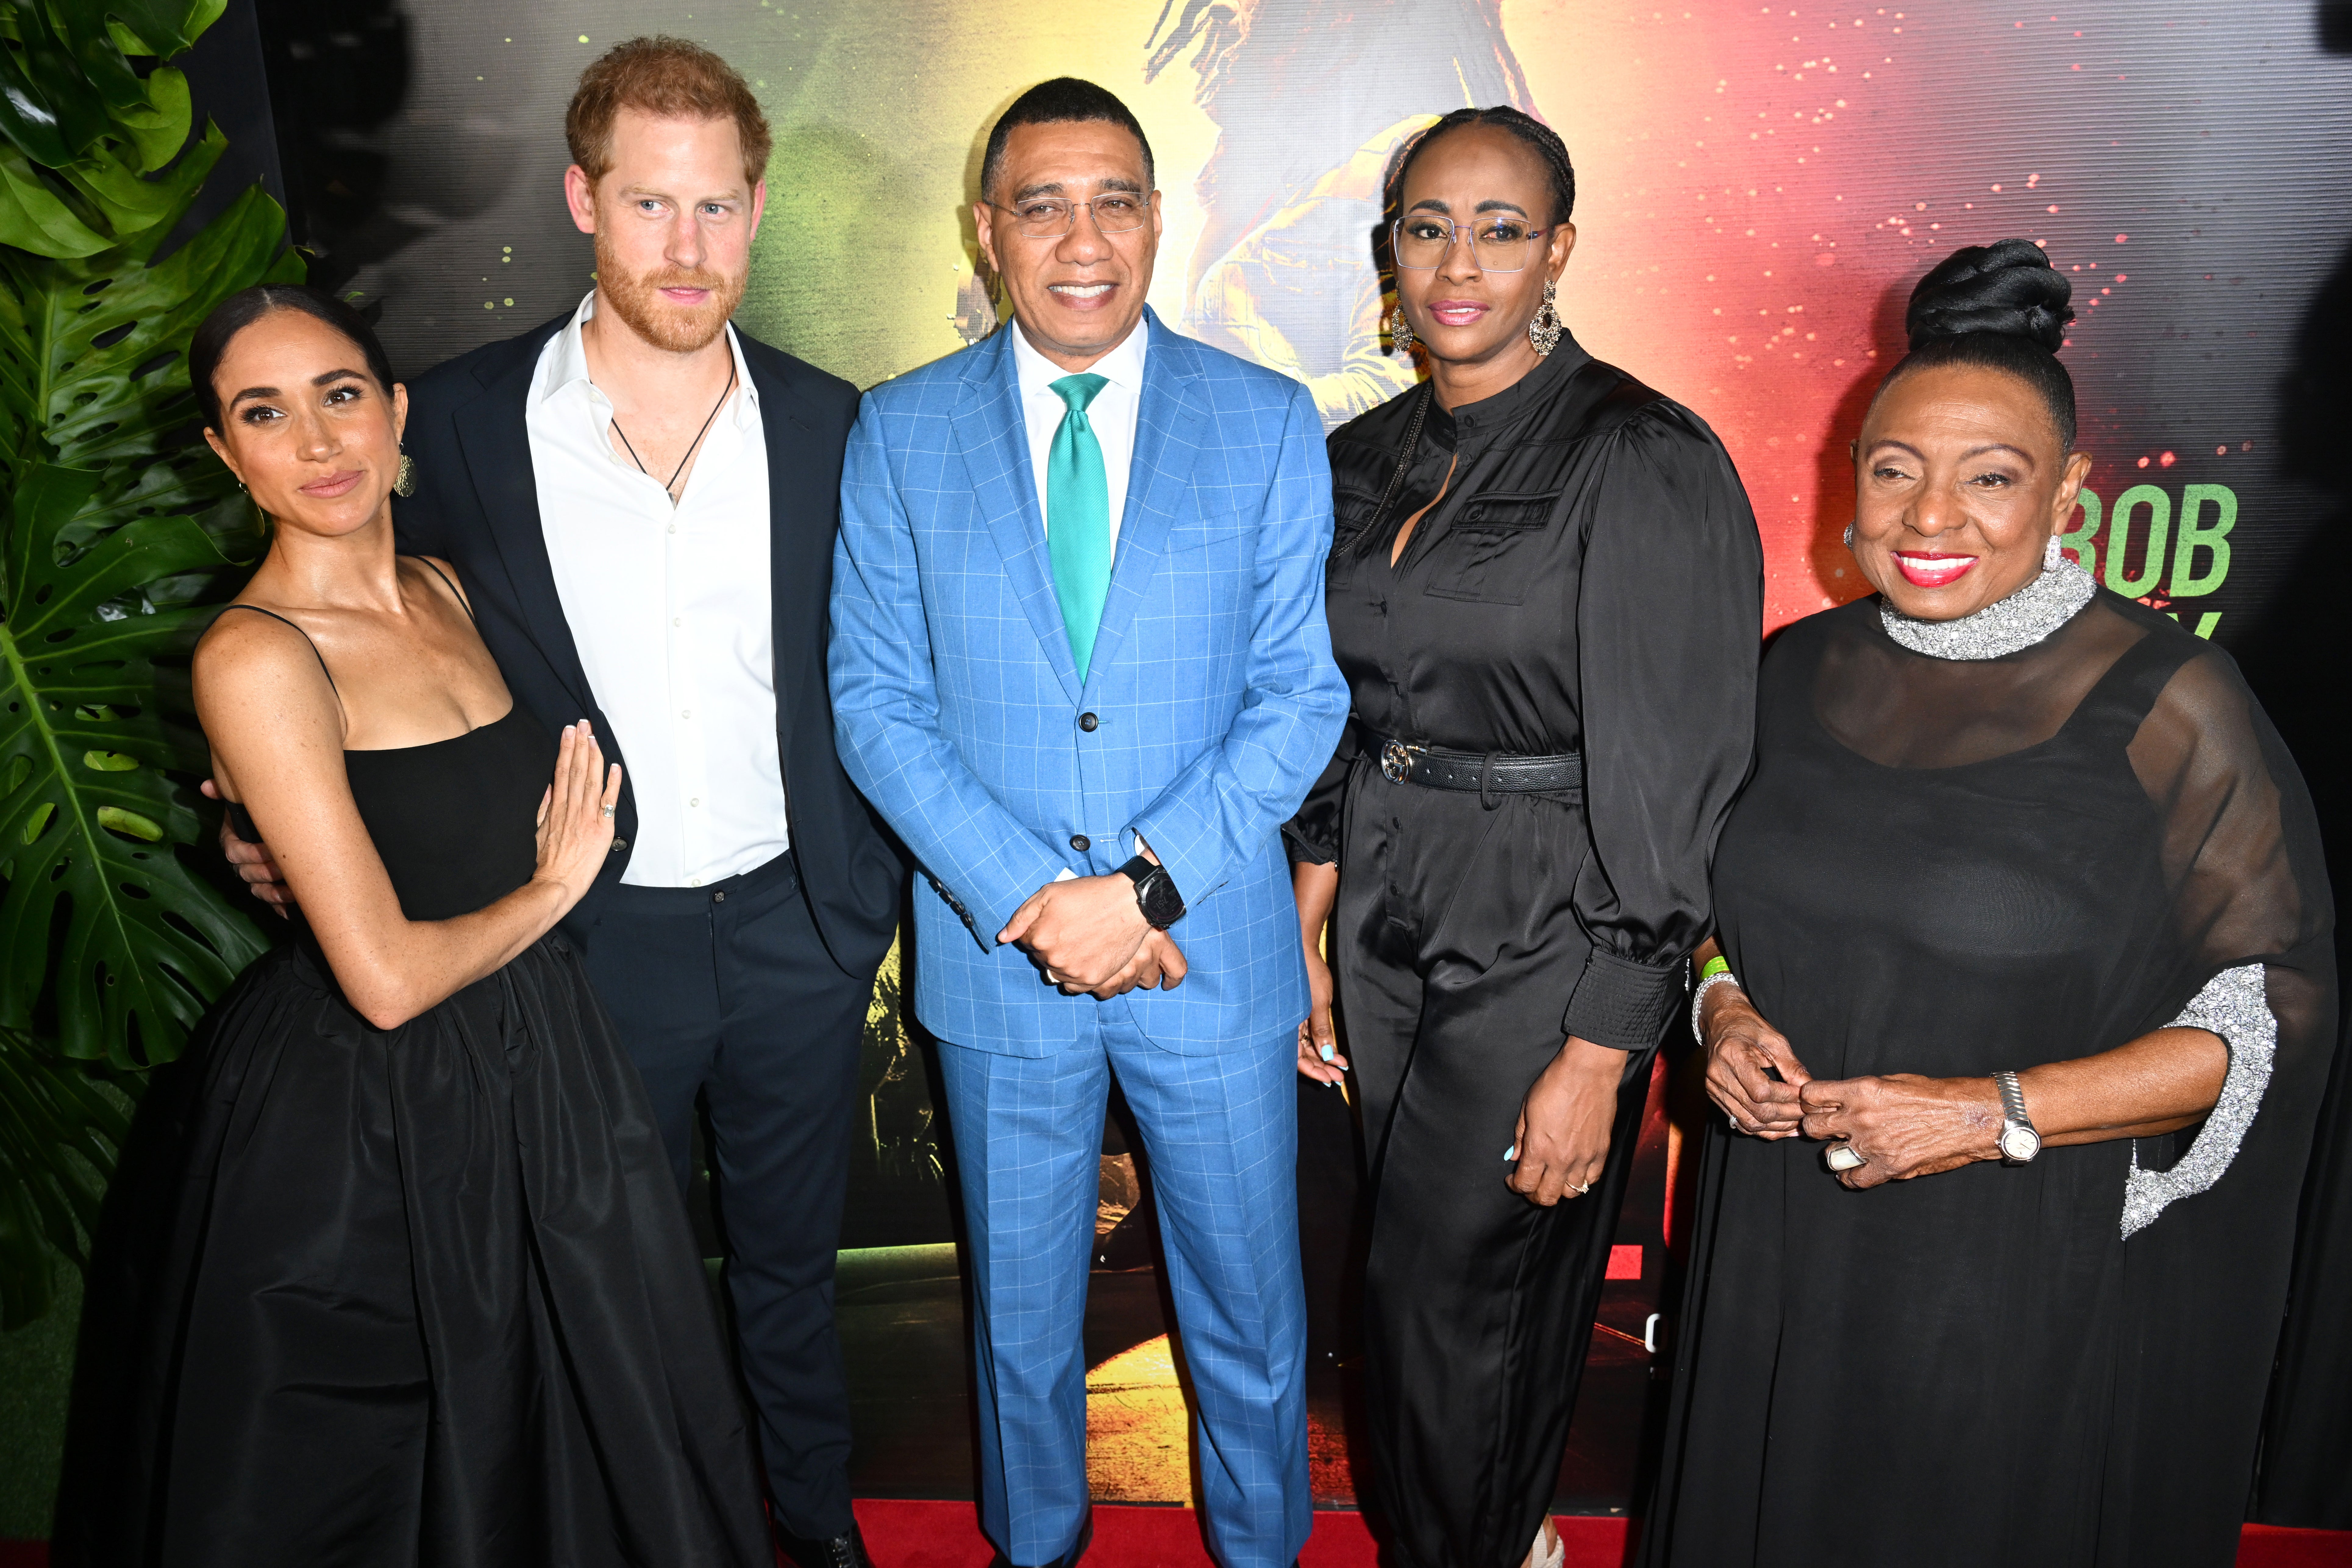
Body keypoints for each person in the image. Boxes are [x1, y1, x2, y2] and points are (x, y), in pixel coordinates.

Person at [216, 39, 904, 1568]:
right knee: (603, 1282)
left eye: (716, 207)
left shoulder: (836, 423)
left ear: (759, 206)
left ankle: (816, 1524)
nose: (687, 247)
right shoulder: (450, 424)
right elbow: (353, 643)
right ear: (585, 198)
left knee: (795, 1269)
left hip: (802, 921)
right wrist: (262, 817)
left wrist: (855, 912)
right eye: (651, 205)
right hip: (583, 947)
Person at [1639, 240, 2337, 1567]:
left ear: (2070, 490)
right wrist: (1723, 1009)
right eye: (1895, 469)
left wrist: (1989, 1112)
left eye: (1991, 477)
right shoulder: (1790, 671)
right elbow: (1714, 913)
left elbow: (2268, 1020)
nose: (1930, 517)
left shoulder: (2168, 703)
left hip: (2006, 1282)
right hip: (1778, 1257)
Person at [84, 285, 769, 1566]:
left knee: (590, 1427)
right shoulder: (255, 655)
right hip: (368, 1122)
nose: (318, 441)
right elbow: (389, 978)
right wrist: (554, 890)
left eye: (341, 395)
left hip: (542, 1072)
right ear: (226, 454)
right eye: (264, 414)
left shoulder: (449, 585)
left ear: (395, 411)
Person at [829, 78, 1349, 1568]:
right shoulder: (901, 429)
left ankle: (1262, 1549)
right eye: (1042, 202)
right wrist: (1030, 893)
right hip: (1002, 962)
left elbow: (1296, 696)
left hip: (1210, 951)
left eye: (1115, 196)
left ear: (1158, 219)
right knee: (1020, 1315)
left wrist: (1141, 887)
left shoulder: (1260, 421)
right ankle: (1035, 1547)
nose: (1082, 235)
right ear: (988, 230)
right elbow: (876, 700)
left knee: (1250, 1314)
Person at [1282, 107, 1762, 1568]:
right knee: (1430, 1295)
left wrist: (1609, 1043)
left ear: (1560, 246)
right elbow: (1323, 699)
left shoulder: (1645, 454)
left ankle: (1480, 1548)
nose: (1460, 262)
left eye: (1501, 228)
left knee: (1453, 1285)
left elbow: (1677, 768)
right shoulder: (1357, 455)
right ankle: (1505, 1541)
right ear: (1390, 248)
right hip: (1385, 900)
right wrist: (1312, 897)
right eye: (1428, 225)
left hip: (1553, 908)